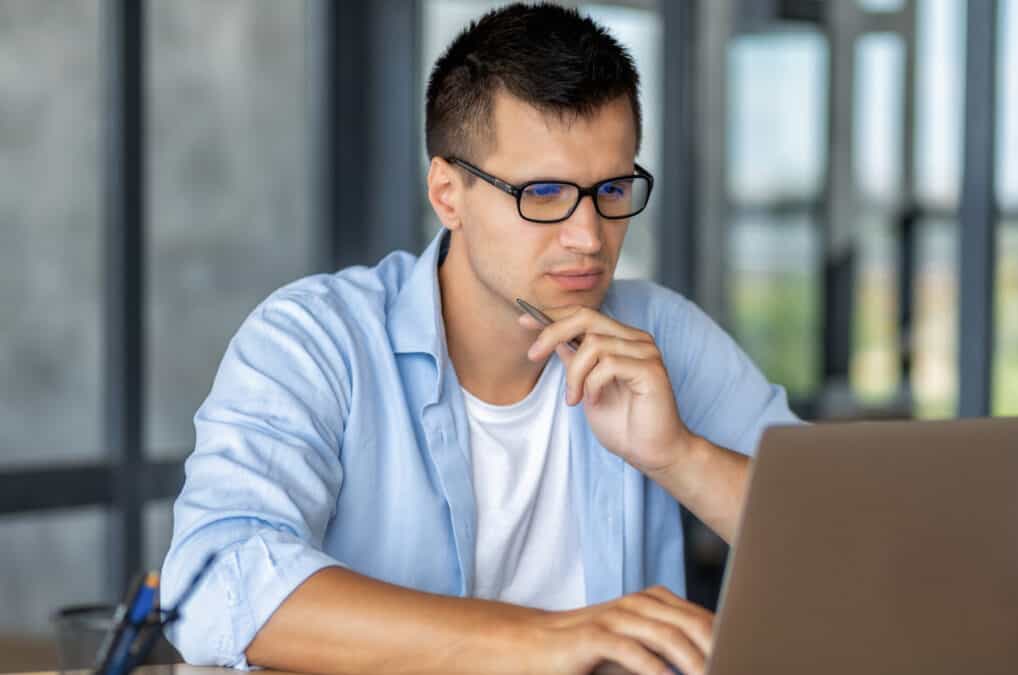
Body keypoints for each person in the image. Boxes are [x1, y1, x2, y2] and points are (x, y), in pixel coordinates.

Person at [161, 4, 798, 674]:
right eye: (544, 192)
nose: (589, 236)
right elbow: (215, 582)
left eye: (611, 187)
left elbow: (856, 548)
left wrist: (679, 456)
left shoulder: (661, 334)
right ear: (447, 193)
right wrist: (542, 637)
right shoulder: (317, 342)